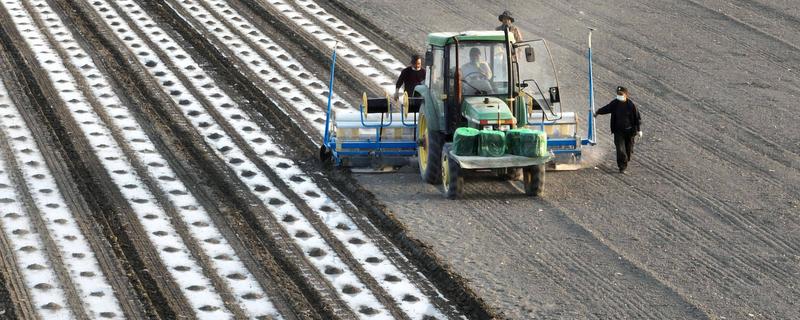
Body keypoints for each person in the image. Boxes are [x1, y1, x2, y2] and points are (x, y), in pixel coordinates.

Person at [594, 86, 642, 174]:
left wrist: (639, 130)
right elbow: (607, 108)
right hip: (618, 131)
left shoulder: (631, 105)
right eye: (618, 94)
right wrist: (598, 112)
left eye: (621, 94)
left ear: (626, 95)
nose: (619, 96)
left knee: (628, 150)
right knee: (620, 149)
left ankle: (625, 160)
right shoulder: (615, 103)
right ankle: (622, 167)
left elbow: (637, 118)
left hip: (629, 132)